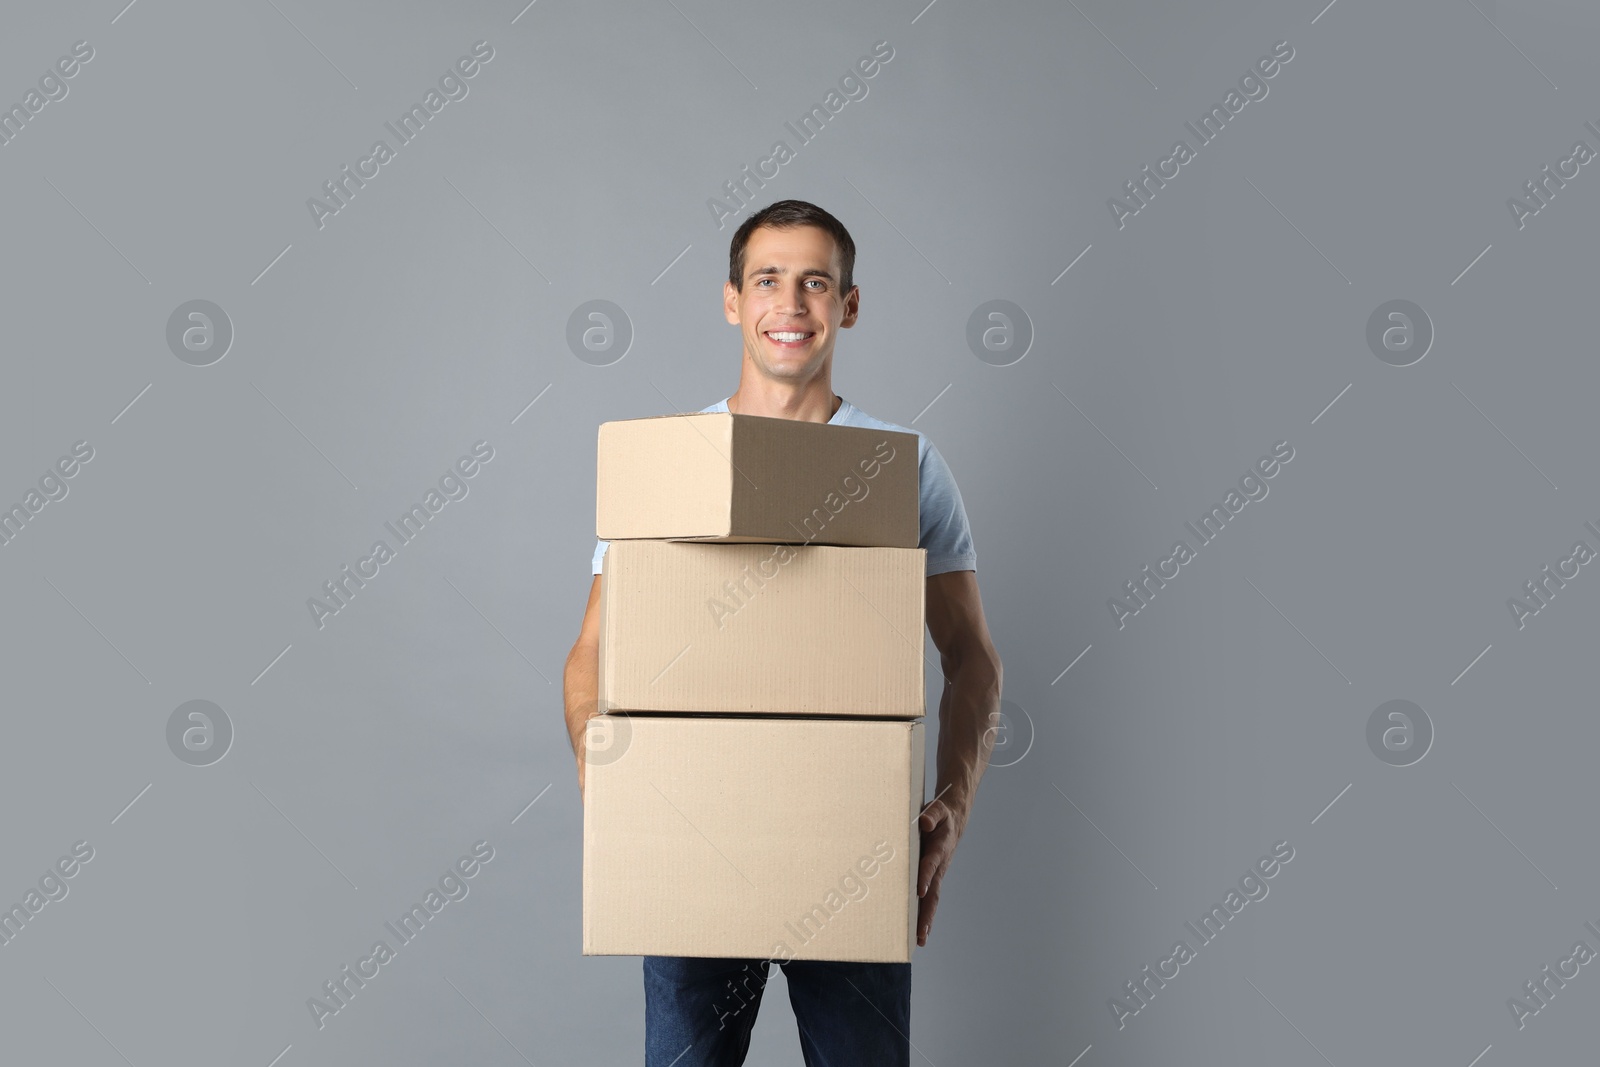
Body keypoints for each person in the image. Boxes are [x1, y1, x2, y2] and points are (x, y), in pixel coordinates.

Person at [563, 199, 1003, 1066]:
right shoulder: (669, 465)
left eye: (815, 282)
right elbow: (591, 653)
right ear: (732, 299)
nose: (791, 304)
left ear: (848, 304)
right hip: (691, 828)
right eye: (768, 279)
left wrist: (953, 800)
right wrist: (603, 769)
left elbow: (972, 658)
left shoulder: (902, 463)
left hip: (850, 837)